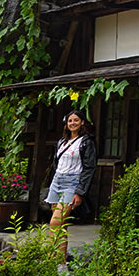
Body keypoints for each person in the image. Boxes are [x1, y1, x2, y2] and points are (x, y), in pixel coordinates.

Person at [45, 108, 97, 267]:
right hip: (57, 181)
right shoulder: (62, 141)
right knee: (62, 226)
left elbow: (89, 168)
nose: (72, 123)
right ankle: (60, 264)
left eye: (76, 120)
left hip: (72, 183)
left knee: (55, 223)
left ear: (82, 122)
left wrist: (80, 192)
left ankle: (51, 260)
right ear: (66, 124)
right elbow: (57, 163)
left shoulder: (86, 142)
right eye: (70, 121)